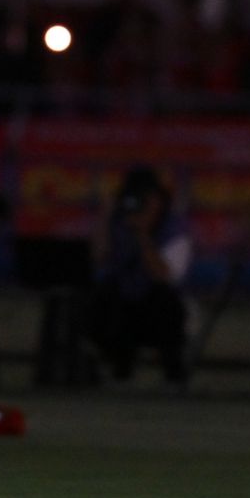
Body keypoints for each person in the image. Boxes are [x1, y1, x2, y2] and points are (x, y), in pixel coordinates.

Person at [89, 166, 191, 387]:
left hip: (160, 311)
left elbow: (164, 276)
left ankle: (173, 376)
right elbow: (98, 258)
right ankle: (118, 369)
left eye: (147, 198)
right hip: (123, 306)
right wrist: (106, 218)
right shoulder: (118, 224)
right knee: (103, 296)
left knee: (165, 302)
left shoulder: (174, 229)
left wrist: (143, 234)